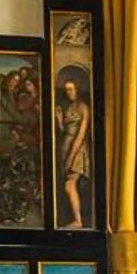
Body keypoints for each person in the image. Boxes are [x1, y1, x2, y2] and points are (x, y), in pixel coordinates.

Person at [54, 66, 93, 228]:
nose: (69, 92)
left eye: (71, 89)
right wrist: (59, 118)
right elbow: (64, 131)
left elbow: (80, 135)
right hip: (66, 146)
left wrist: (71, 156)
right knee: (67, 186)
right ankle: (75, 218)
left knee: (69, 185)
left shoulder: (83, 107)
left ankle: (78, 220)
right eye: (66, 90)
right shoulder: (68, 107)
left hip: (77, 150)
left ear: (77, 89)